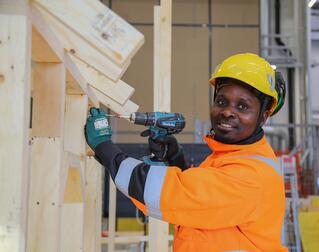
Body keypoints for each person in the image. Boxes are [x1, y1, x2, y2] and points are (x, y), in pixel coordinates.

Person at [85, 53, 287, 252]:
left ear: (263, 117)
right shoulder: (230, 157)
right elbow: (198, 208)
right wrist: (176, 159)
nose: (227, 111)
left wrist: (104, 147)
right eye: (221, 102)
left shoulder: (252, 175)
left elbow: (174, 196)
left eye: (242, 106)